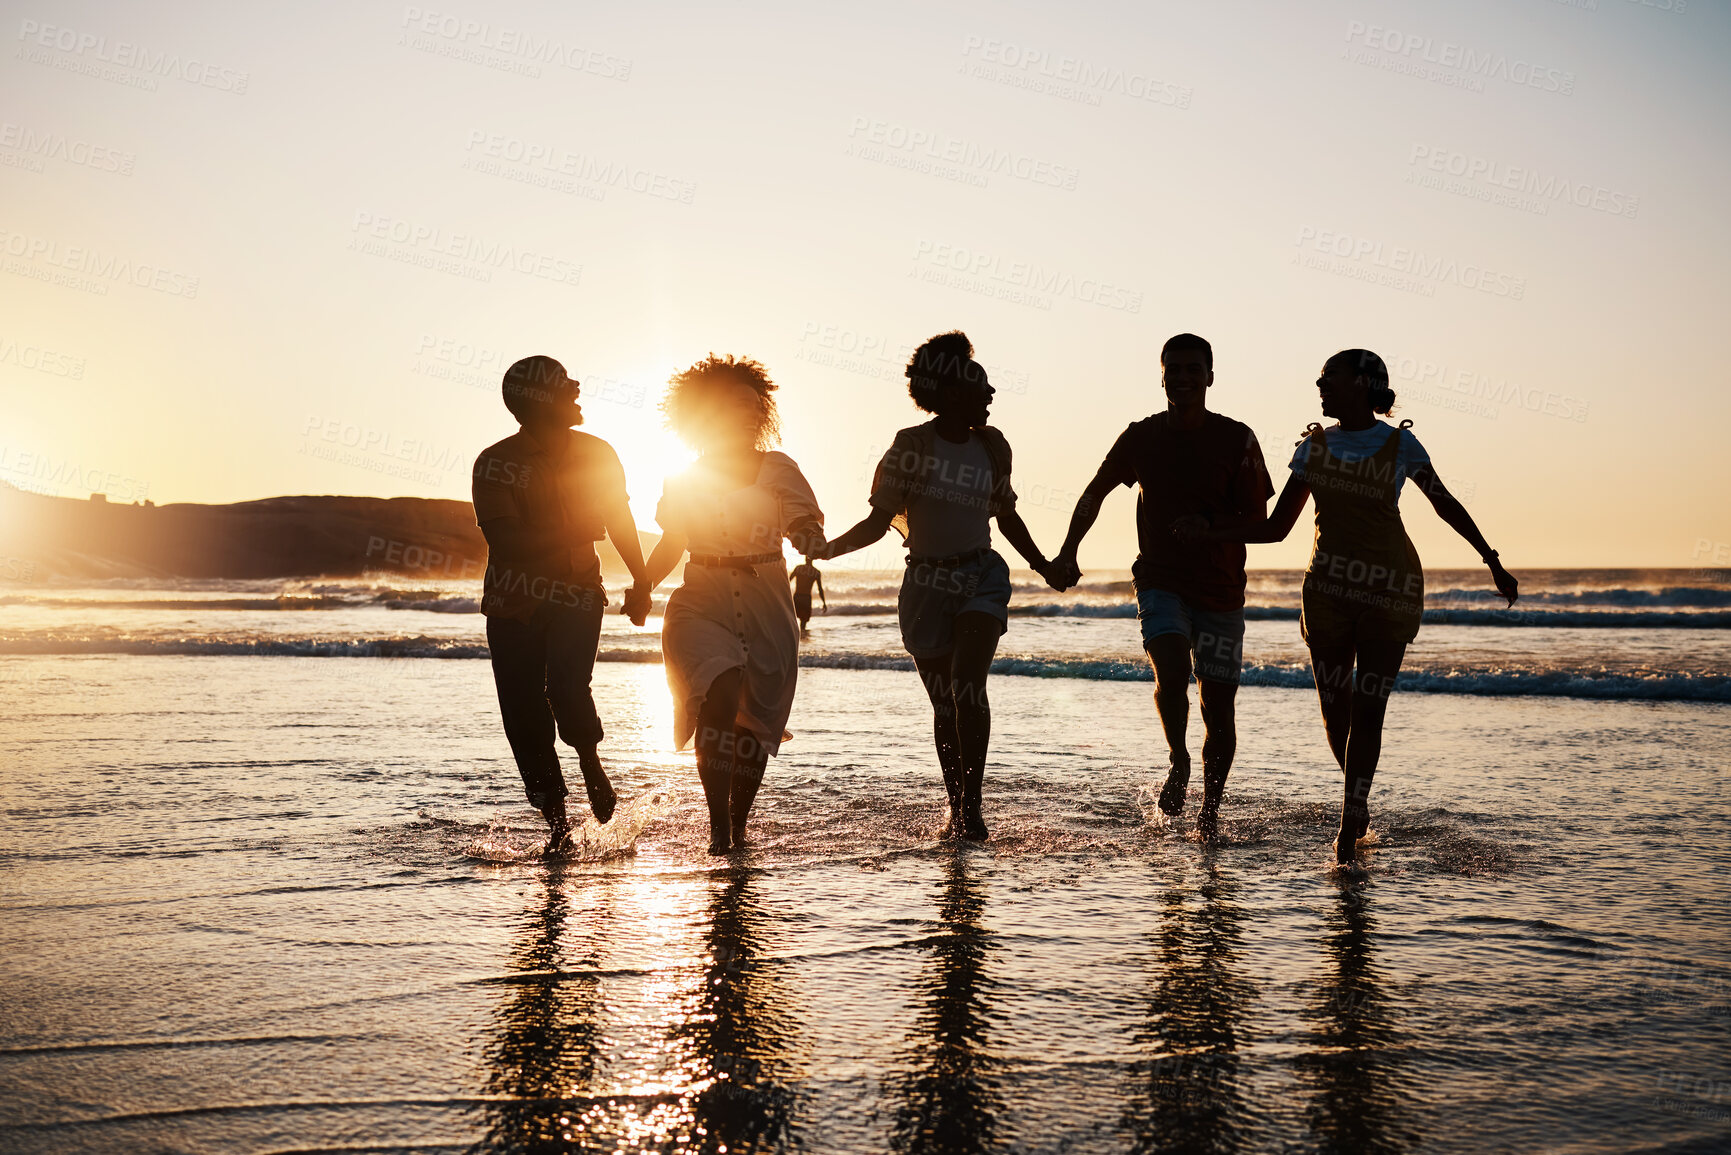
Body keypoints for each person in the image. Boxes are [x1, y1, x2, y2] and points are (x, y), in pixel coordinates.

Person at [1178, 348, 1519, 863]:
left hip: (1389, 589)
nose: (1320, 386)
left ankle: (1349, 817)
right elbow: (1275, 528)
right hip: (1328, 593)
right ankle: (1358, 798)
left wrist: (1491, 560)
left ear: (1363, 383)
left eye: (1329, 377)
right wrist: (1212, 530)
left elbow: (1444, 502)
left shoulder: (1401, 445)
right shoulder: (1313, 450)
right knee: (1336, 716)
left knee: (1369, 709)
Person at [818, 330, 1060, 842]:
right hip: (925, 586)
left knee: (969, 686)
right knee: (945, 707)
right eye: (981, 383)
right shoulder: (912, 446)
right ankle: (957, 805)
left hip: (982, 577)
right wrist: (828, 550)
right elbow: (878, 521)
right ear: (952, 391)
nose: (991, 394)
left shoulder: (993, 447)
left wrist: (1043, 565)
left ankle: (972, 809)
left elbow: (1007, 516)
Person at [1050, 334, 1274, 842]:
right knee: (1171, 668)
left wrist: (1209, 524)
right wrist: (1068, 551)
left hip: (1220, 589)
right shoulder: (1141, 437)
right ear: (1163, 376)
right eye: (1174, 369)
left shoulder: (1238, 439)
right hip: (1159, 580)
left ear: (1210, 377)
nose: (1184, 377)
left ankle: (1210, 811)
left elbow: (1260, 521)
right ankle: (1178, 760)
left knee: (1219, 708)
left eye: (1194, 369)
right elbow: (1093, 493)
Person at [637, 354, 825, 855]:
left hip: (767, 602)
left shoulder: (779, 468)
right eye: (732, 407)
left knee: (754, 725)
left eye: (753, 407)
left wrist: (808, 535)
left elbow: (804, 523)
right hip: (701, 598)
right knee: (718, 696)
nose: (746, 416)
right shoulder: (684, 477)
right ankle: (719, 829)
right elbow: (672, 541)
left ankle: (736, 827)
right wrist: (642, 585)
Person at [472, 355, 652, 857]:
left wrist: (640, 579)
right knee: (523, 715)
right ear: (537, 401)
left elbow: (619, 517)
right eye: (561, 383)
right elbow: (509, 543)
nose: (575, 386)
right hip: (513, 604)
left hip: (577, 593)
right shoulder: (495, 462)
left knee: (569, 687)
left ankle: (590, 761)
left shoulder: (598, 452)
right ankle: (557, 824)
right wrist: (579, 530)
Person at [789, 560, 825, 632]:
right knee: (803, 623)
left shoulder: (798, 568)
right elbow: (820, 589)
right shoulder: (816, 572)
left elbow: (787, 581)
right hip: (806, 598)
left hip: (797, 597)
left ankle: (794, 636)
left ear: (805, 558)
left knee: (792, 619)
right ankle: (802, 636)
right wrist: (824, 602)